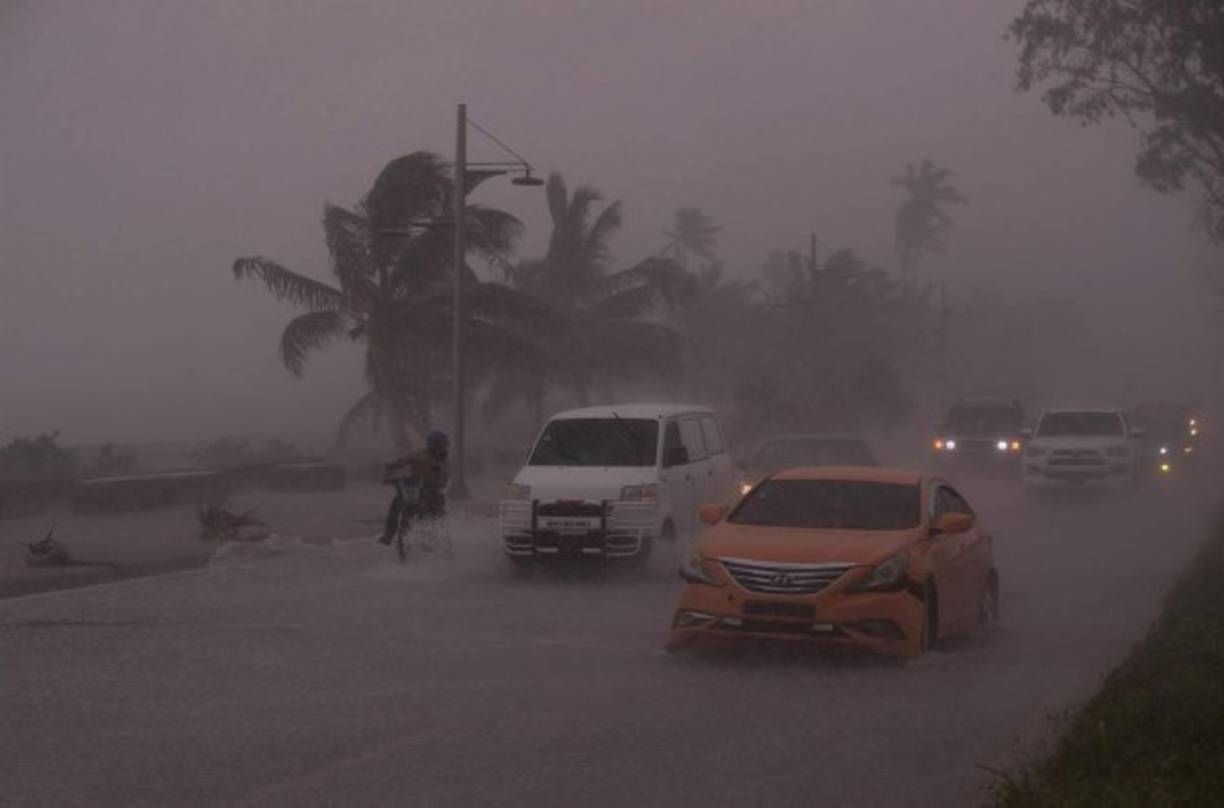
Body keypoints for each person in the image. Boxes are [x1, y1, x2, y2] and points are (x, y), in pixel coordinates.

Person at [378, 430, 450, 546]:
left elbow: (444, 479)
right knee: (396, 503)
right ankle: (388, 535)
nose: (441, 448)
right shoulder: (420, 454)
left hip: (432, 491)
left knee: (438, 505)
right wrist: (391, 468)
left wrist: (435, 480)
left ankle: (438, 535)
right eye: (440, 445)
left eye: (441, 445)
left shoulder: (443, 461)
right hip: (414, 488)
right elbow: (403, 461)